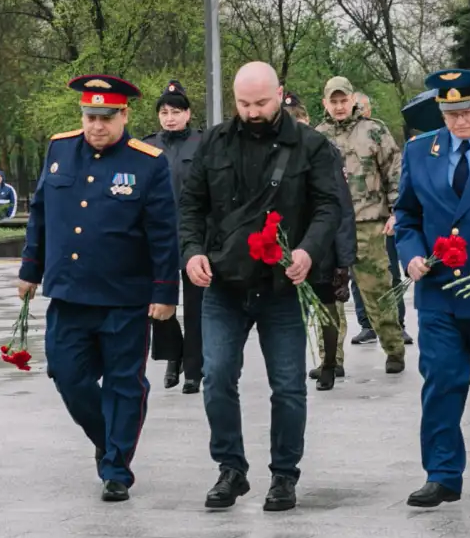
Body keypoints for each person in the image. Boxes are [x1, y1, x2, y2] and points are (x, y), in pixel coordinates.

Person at [179, 62, 346, 513]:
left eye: (261, 103)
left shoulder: (311, 146)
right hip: (224, 283)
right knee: (216, 378)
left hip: (282, 286)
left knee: (288, 386)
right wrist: (192, 251)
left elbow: (329, 207)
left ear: (280, 94)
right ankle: (230, 468)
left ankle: (284, 475)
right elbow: (191, 205)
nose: (252, 112)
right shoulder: (214, 142)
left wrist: (308, 251)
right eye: (243, 103)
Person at [19, 75, 180, 501]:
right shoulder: (60, 150)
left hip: (124, 297)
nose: (96, 125)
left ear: (124, 115)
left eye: (106, 117)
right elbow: (40, 213)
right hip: (69, 293)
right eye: (90, 116)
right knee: (67, 375)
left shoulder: (148, 162)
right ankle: (109, 438)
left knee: (124, 383)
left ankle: (116, 469)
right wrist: (30, 269)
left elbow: (163, 233)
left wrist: (165, 293)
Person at [393, 69, 470, 508]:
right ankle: (442, 473)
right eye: (450, 114)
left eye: (467, 111)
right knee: (441, 379)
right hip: (439, 288)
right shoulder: (420, 150)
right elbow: (407, 215)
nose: (459, 121)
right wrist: (411, 254)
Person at [316, 76, 405, 384]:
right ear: (325, 103)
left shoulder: (374, 130)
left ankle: (394, 349)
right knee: (328, 294)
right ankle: (330, 359)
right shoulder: (317, 137)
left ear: (353, 99)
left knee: (377, 290)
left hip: (368, 223)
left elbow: (394, 171)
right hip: (330, 227)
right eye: (334, 101)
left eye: (344, 100)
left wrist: (396, 210)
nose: (340, 106)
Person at [143, 79, 204, 392]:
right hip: (158, 236)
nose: (170, 118)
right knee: (158, 302)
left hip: (195, 235)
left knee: (195, 307)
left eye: (176, 112)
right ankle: (173, 353)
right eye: (164, 112)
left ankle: (194, 368)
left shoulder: (203, 143)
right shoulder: (146, 146)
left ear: (188, 114)